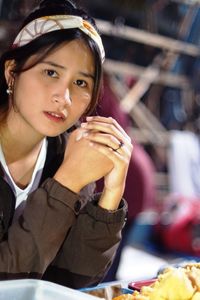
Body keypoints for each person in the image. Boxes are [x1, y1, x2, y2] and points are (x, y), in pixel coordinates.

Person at [0, 0, 132, 288]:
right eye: (51, 73)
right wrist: (65, 186)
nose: (65, 98)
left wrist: (110, 198)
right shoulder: (69, 171)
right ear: (12, 72)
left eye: (81, 83)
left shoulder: (65, 155)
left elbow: (70, 282)